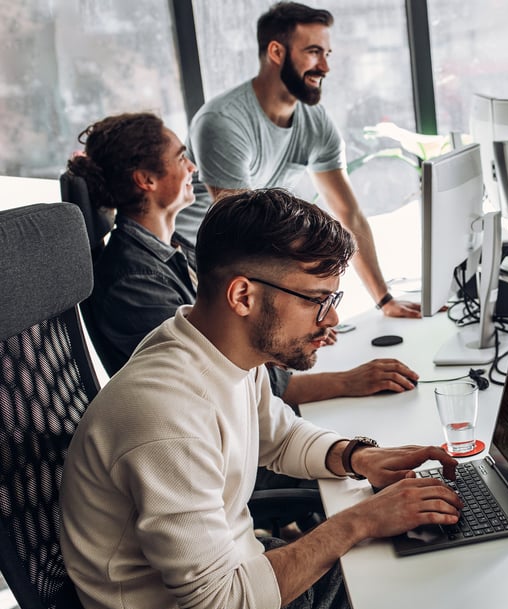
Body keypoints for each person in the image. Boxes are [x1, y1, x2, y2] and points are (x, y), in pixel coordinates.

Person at [59, 188, 463, 609]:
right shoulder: (166, 416)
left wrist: (358, 456)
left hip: (245, 578)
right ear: (243, 296)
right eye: (318, 300)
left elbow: (279, 436)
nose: (332, 319)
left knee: (437, 602)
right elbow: (221, 607)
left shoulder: (219, 351)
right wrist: (359, 521)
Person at [67, 112, 420, 406]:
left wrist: (294, 333)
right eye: (180, 158)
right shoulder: (132, 280)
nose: (192, 167)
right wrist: (348, 381)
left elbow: (232, 340)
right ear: (146, 180)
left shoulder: (173, 248)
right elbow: (216, 380)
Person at [176, 1, 422, 320]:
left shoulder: (314, 122)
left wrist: (384, 300)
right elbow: (240, 232)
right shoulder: (222, 122)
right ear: (277, 53)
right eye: (313, 52)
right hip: (201, 264)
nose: (325, 67)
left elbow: (349, 213)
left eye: (327, 54)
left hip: (256, 257)